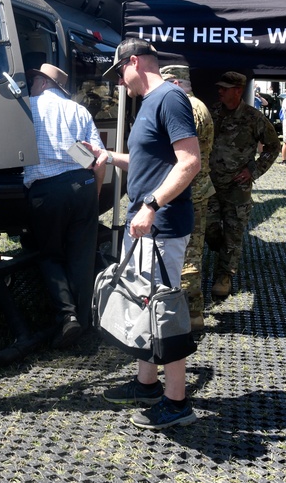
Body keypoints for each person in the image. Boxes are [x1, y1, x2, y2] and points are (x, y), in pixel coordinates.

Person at [93, 38, 201, 430]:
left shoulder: (169, 99)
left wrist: (152, 205)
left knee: (164, 312)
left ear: (134, 62)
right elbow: (146, 162)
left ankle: (177, 402)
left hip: (160, 227)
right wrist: (108, 157)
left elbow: (190, 162)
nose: (120, 82)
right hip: (148, 226)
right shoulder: (150, 104)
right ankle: (147, 384)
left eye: (120, 72)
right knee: (145, 306)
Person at [24, 63, 106, 347]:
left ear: (45, 83)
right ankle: (82, 325)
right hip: (82, 184)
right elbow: (98, 159)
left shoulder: (28, 107)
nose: (31, 85)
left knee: (50, 255)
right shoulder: (78, 110)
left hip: (47, 191)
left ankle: (66, 317)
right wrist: (93, 195)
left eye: (34, 80)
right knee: (82, 257)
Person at [206, 72, 282, 300]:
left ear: (238, 90)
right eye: (219, 87)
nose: (220, 91)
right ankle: (223, 251)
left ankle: (224, 276)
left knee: (234, 232)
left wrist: (254, 170)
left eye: (225, 88)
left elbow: (273, 146)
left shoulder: (253, 118)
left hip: (237, 188)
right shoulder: (213, 113)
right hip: (210, 184)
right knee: (209, 228)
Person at [160, 63, 214, 332]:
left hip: (186, 190)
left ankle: (190, 315)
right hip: (199, 188)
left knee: (187, 255)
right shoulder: (200, 106)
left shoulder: (186, 109)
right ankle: (192, 314)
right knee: (192, 252)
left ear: (176, 83)